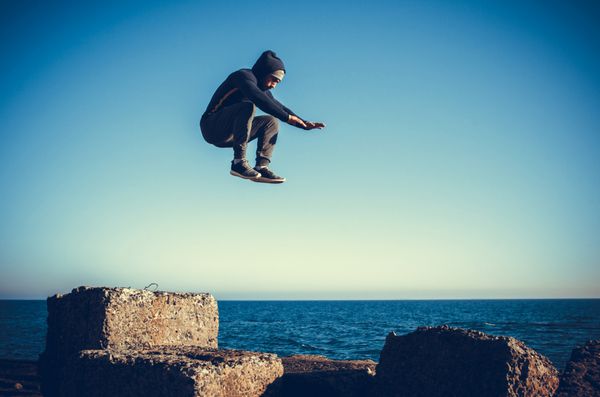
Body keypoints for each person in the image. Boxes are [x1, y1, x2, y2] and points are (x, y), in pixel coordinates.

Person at [200, 50, 325, 183]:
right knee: (248, 107)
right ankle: (238, 162)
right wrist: (287, 117)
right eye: (273, 80)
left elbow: (278, 106)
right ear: (264, 73)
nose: (274, 86)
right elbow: (258, 98)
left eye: (278, 82)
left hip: (231, 135)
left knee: (271, 121)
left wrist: (303, 123)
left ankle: (262, 166)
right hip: (211, 127)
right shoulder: (243, 77)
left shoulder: (262, 89)